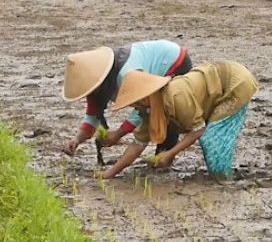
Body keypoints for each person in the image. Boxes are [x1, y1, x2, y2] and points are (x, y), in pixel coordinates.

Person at [102, 60, 259, 179]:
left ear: (144, 98)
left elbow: (198, 129)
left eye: (134, 102)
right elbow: (138, 144)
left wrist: (170, 153)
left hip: (234, 84)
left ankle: (224, 180)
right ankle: (219, 175)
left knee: (213, 139)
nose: (134, 107)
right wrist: (110, 173)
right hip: (215, 88)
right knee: (211, 138)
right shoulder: (150, 109)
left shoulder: (176, 96)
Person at [62, 40, 193, 159]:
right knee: (152, 113)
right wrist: (76, 140)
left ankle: (164, 157)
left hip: (174, 62)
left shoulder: (127, 74)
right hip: (158, 62)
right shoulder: (96, 86)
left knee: (164, 110)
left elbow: (145, 103)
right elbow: (92, 117)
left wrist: (118, 134)